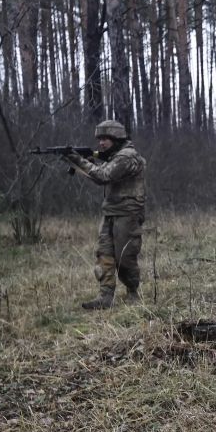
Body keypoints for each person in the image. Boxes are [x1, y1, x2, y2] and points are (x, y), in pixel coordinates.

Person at [62, 120, 147, 310]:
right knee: (105, 254)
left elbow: (103, 176)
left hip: (127, 213)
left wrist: (78, 160)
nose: (101, 143)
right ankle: (105, 296)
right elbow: (102, 172)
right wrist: (82, 160)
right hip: (110, 212)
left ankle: (132, 292)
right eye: (100, 139)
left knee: (125, 257)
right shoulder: (114, 156)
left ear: (117, 138)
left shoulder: (127, 157)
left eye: (105, 139)